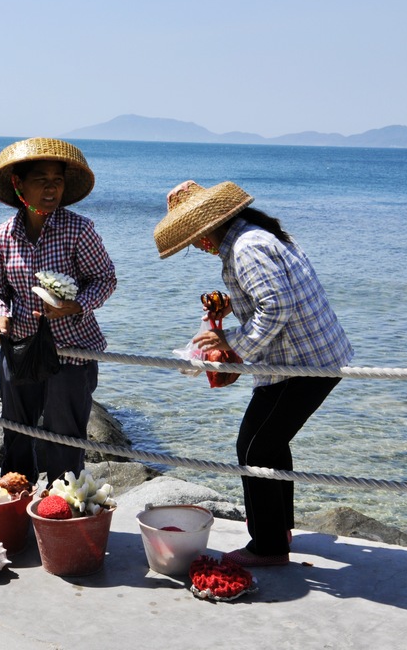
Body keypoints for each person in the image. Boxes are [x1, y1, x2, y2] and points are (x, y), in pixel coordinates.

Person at [154, 180, 354, 567]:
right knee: (270, 444)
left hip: (301, 364)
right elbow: (278, 295)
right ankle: (278, 531)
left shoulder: (246, 249)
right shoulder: (257, 235)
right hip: (312, 356)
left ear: (209, 227)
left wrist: (234, 352)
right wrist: (234, 306)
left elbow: (276, 308)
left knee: (253, 448)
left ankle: (268, 547)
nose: (196, 246)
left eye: (194, 238)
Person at [0, 138, 117, 484]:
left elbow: (105, 279)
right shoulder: (1, 237)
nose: (51, 188)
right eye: (41, 179)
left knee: (65, 440)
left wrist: (76, 306)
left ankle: (62, 515)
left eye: (57, 180)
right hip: (21, 349)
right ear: (18, 184)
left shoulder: (78, 230)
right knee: (16, 434)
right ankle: (14, 504)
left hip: (71, 351)